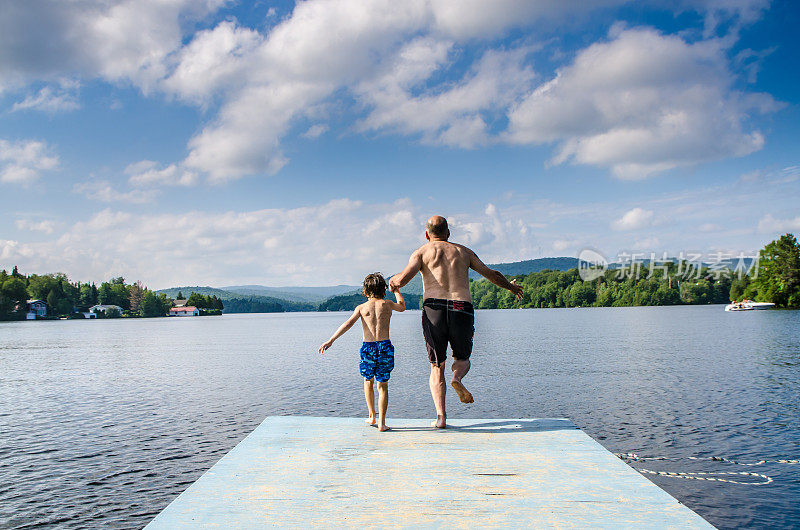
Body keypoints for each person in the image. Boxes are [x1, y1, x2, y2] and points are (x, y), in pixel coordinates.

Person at [389, 215, 523, 429]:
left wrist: (393, 283)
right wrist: (511, 287)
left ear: (427, 234)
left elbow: (403, 279)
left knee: (436, 366)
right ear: (448, 233)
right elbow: (491, 274)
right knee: (463, 358)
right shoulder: (464, 252)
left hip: (434, 309)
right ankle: (458, 378)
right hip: (462, 307)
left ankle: (441, 417)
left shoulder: (422, 252)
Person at [318, 273, 405, 432]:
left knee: (368, 381)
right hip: (384, 346)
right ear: (384, 291)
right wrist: (397, 290)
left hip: (368, 347)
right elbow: (402, 306)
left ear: (365, 292)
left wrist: (331, 340)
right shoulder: (388, 304)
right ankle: (382, 423)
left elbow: (347, 324)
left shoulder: (362, 308)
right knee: (383, 385)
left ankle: (372, 416)